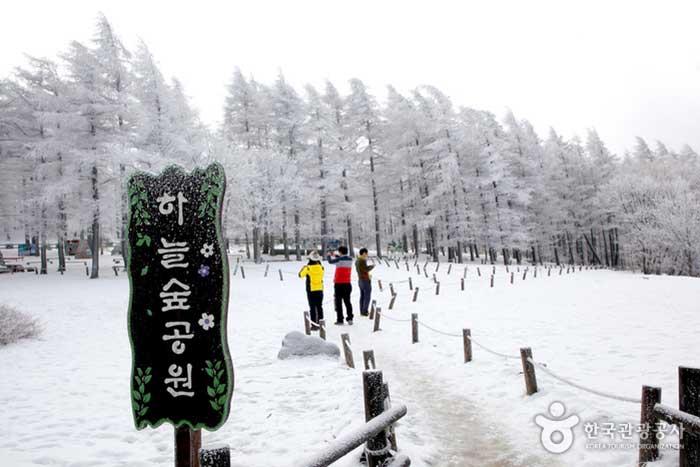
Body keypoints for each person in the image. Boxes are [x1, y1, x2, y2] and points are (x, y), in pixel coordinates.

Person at [326, 246, 353, 325]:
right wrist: (334, 254)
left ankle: (340, 319)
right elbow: (341, 258)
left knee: (338, 302)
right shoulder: (350, 259)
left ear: (340, 252)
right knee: (347, 302)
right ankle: (350, 318)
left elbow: (330, 261)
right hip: (347, 283)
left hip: (339, 284)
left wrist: (328, 255)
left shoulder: (339, 260)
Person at [299, 251, 324, 330]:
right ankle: (321, 323)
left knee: (312, 307)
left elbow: (300, 275)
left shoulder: (308, 268)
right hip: (320, 289)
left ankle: (314, 324)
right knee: (319, 307)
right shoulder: (321, 267)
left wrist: (303, 268)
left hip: (311, 290)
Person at [355, 248, 374, 317]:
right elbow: (365, 269)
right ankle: (364, 311)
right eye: (366, 253)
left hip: (360, 280)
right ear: (363, 253)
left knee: (362, 296)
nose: (367, 255)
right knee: (367, 296)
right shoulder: (362, 260)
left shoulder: (357, 260)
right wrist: (371, 266)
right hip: (365, 280)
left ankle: (362, 311)